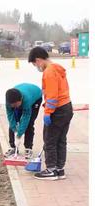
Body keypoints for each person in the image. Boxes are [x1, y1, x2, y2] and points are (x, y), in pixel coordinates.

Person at [28, 46, 73, 180]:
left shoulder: (49, 72)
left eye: (35, 64)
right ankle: (60, 169)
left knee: (50, 140)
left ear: (38, 60)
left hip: (57, 110)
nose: (36, 67)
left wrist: (48, 112)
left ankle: (51, 170)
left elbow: (52, 95)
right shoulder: (57, 68)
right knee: (60, 140)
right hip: (67, 107)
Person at [5, 84, 43, 159]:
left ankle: (28, 148)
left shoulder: (27, 100)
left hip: (35, 97)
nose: (14, 106)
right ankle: (13, 147)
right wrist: (15, 129)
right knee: (13, 122)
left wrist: (19, 134)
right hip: (22, 91)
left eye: (16, 104)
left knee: (29, 123)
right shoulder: (9, 101)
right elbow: (10, 117)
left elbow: (26, 117)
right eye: (13, 105)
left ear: (21, 99)